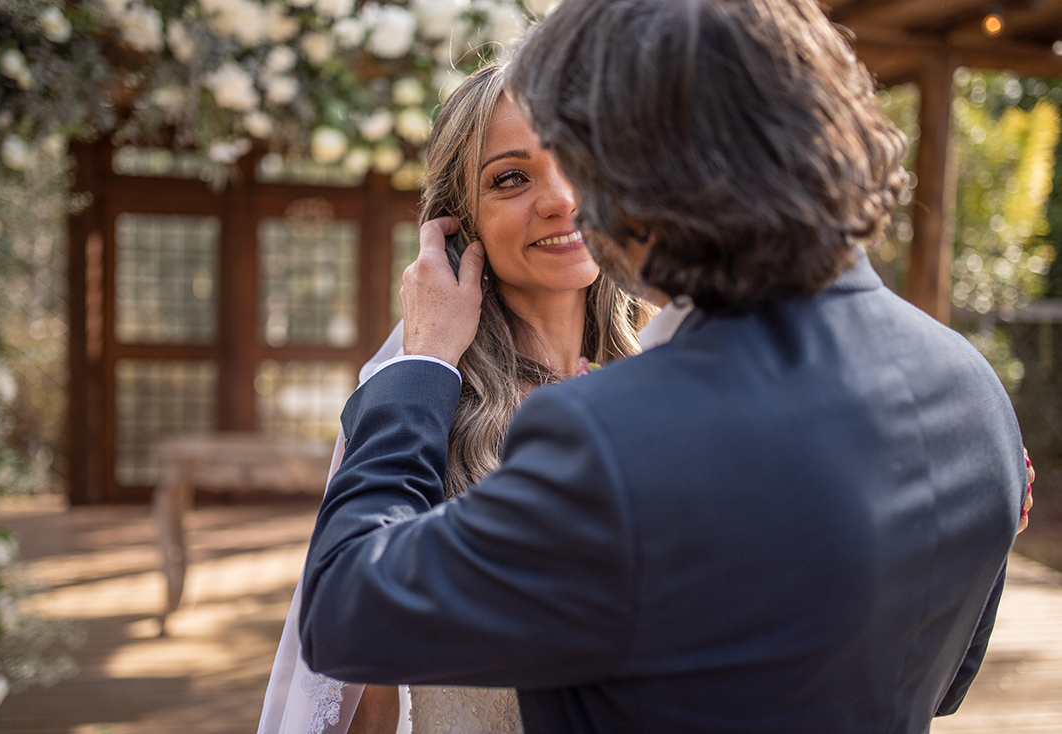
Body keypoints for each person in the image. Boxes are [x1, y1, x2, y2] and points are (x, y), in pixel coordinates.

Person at [297, 0, 1032, 732]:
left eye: (587, 157)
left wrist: (422, 364)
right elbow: (930, 680)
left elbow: (346, 613)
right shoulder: (973, 394)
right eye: (516, 176)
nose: (569, 199)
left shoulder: (608, 438)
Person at [257, 63, 653, 734]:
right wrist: (429, 360)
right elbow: (364, 676)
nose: (561, 199)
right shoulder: (422, 407)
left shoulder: (664, 382)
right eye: (511, 178)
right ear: (459, 220)